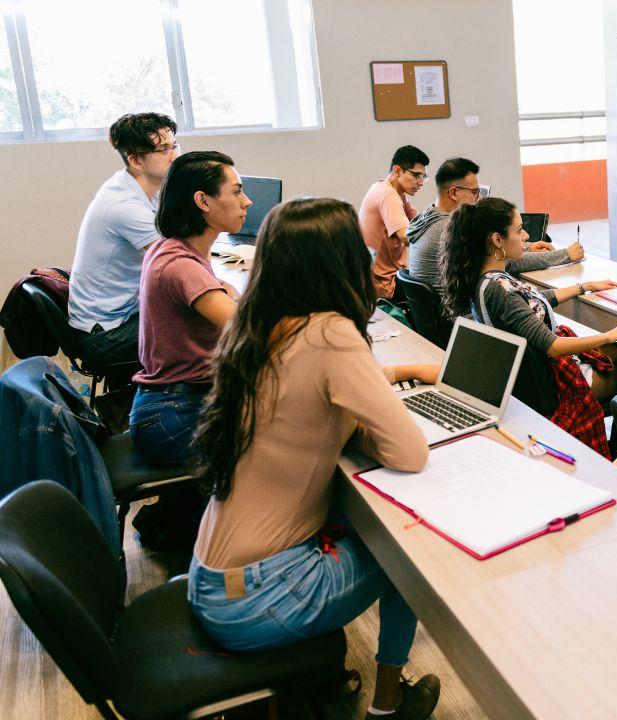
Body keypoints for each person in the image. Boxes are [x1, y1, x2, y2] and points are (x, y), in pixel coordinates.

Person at [188, 197, 442, 719]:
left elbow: (305, 408)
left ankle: (333, 680)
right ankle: (391, 703)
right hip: (258, 598)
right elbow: (411, 453)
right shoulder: (330, 332)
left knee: (359, 516)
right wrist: (366, 426)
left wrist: (363, 407)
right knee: (408, 548)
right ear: (342, 260)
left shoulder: (256, 323)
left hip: (213, 578)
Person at [440, 197, 617, 457]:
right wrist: (610, 334)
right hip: (557, 383)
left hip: (533, 377)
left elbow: (532, 306)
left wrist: (584, 287)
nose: (526, 235)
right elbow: (553, 347)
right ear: (497, 240)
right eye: (519, 230)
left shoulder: (484, 278)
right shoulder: (501, 290)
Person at [130, 151, 247, 467]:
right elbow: (250, 332)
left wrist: (228, 294)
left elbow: (226, 292)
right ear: (203, 201)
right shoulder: (182, 266)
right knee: (298, 437)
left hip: (165, 405)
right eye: (237, 191)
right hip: (174, 417)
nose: (247, 202)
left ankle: (174, 511)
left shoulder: (172, 248)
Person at [67, 112, 179, 373]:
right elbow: (174, 263)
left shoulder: (145, 188)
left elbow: (177, 238)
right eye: (163, 149)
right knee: (203, 329)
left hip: (124, 314)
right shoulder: (124, 205)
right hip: (105, 336)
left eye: (174, 145)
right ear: (136, 160)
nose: (174, 155)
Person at [406, 156, 584, 296]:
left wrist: (527, 247)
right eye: (475, 192)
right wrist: (565, 254)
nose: (479, 198)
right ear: (453, 192)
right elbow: (504, 261)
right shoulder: (448, 230)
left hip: (444, 320)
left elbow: (490, 252)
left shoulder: (427, 217)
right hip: (462, 321)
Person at [360, 145, 429, 301]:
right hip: (384, 286)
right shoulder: (388, 196)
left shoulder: (387, 188)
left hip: (374, 279)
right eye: (417, 175)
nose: (421, 182)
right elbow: (407, 237)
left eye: (423, 177)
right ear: (398, 171)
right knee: (438, 292)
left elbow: (419, 220)